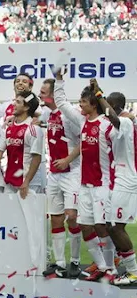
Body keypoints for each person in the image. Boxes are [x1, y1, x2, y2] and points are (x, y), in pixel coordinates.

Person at [54, 69, 116, 282]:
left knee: (102, 226)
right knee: (84, 224)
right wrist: (59, 80)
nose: (79, 106)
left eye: (83, 102)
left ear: (93, 104)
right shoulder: (82, 122)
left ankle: (111, 266)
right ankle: (102, 266)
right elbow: (61, 102)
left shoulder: (106, 125)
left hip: (102, 184)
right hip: (84, 184)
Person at [93, 82, 137, 285]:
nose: (103, 107)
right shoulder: (115, 124)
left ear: (115, 106)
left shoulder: (125, 122)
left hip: (127, 180)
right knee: (111, 227)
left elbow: (111, 115)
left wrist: (98, 92)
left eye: (107, 104)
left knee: (117, 228)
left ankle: (133, 271)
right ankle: (127, 266)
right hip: (117, 179)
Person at [39, 78, 83, 279]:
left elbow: (84, 141)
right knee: (55, 218)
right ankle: (59, 263)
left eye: (43, 92)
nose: (40, 94)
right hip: (54, 175)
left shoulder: (69, 115)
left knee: (72, 216)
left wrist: (67, 159)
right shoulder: (48, 114)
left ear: (53, 94)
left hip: (72, 172)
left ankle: (75, 260)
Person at [0, 91, 44, 199]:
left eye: (18, 102)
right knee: (8, 215)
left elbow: (37, 158)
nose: (13, 104)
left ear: (26, 107)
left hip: (29, 183)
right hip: (10, 182)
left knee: (29, 216)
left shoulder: (34, 129)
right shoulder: (9, 129)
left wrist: (26, 181)